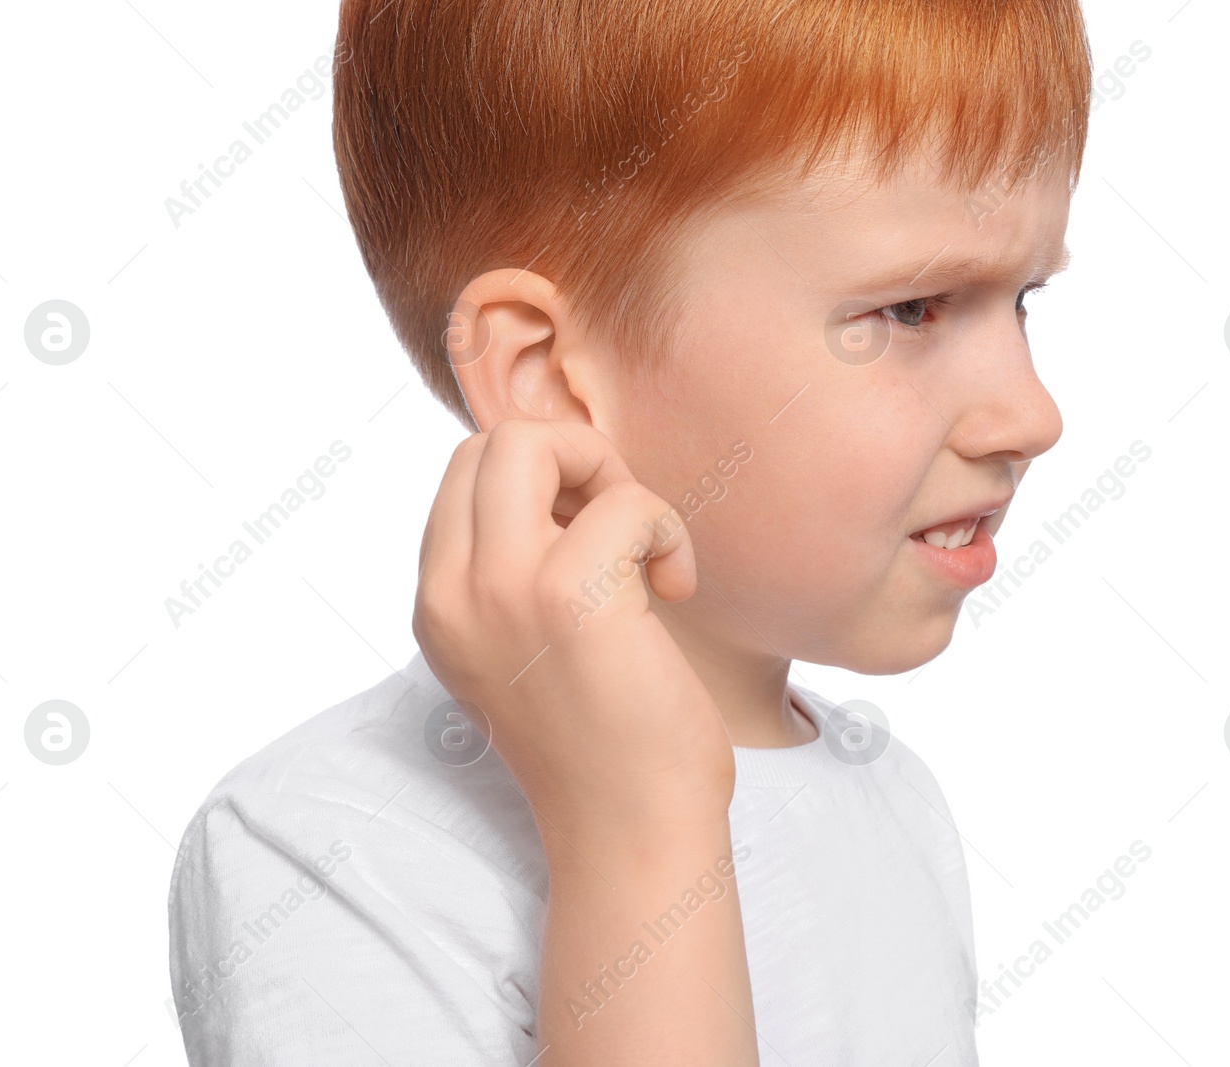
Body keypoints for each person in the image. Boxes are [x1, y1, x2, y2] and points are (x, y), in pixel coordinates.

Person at [168, 1, 1093, 1062]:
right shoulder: (329, 848)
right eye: (914, 309)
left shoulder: (890, 800)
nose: (1033, 415)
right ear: (552, 379)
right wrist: (636, 832)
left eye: (1023, 298)